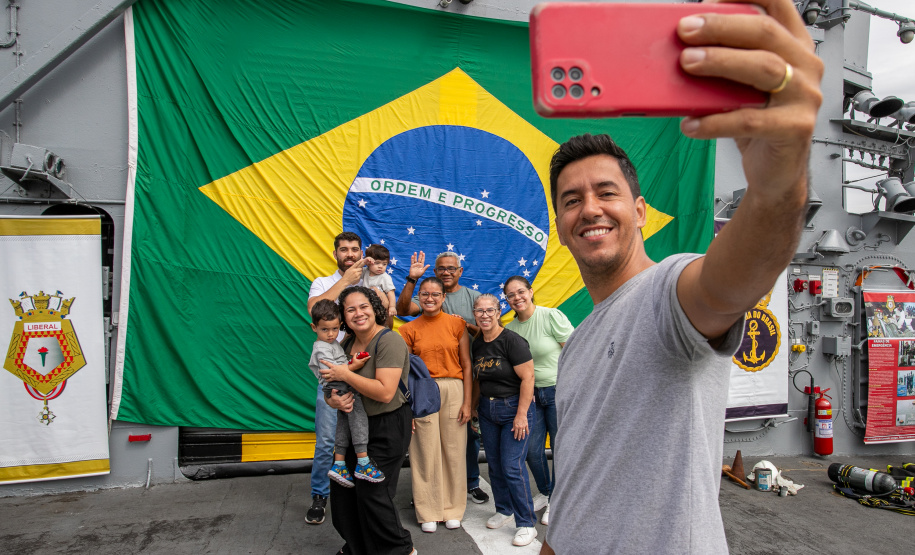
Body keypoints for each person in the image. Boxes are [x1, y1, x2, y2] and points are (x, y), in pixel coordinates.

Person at [541, 2, 823, 553]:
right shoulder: (575, 343)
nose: (589, 209)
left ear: (641, 211)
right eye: (571, 200)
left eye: (607, 193)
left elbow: (731, 282)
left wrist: (777, 184)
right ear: (560, 225)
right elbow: (580, 473)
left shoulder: (667, 295)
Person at [320, 286, 415, 555]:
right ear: (343, 317)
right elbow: (331, 387)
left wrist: (346, 374)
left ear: (375, 309)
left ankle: (400, 549)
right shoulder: (345, 345)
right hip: (353, 427)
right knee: (344, 492)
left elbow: (385, 392)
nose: (358, 313)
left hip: (387, 424)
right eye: (350, 309)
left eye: (363, 307)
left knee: (373, 493)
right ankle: (357, 547)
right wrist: (333, 400)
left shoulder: (389, 340)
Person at [396, 251, 489, 504]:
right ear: (434, 273)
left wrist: (465, 325)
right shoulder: (425, 295)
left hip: (469, 375)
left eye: (451, 268)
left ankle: (469, 483)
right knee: (428, 440)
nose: (446, 272)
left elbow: (490, 330)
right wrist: (412, 279)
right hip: (428, 381)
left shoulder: (473, 297)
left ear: (460, 271)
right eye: (441, 268)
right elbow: (402, 309)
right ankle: (430, 492)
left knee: (466, 434)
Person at [399, 277, 473, 532]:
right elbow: (405, 372)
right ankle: (428, 509)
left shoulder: (457, 324)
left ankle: (453, 508)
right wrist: (406, 408)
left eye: (435, 294)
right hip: (422, 389)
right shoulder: (408, 330)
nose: (430, 299)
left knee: (453, 450)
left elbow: (466, 365)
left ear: (443, 298)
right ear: (419, 297)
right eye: (425, 294)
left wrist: (468, 403)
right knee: (424, 450)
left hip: (453, 388)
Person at [305, 231, 367, 525]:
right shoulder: (323, 283)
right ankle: (320, 495)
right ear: (336, 254)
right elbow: (313, 310)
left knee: (361, 437)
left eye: (355, 249)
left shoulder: (371, 281)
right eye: (344, 250)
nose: (350, 254)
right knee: (328, 440)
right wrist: (345, 282)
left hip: (363, 369)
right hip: (331, 374)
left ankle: (361, 494)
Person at [502, 276, 574, 526]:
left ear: (531, 292)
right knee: (532, 450)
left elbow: (574, 351)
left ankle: (559, 499)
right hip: (530, 396)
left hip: (558, 391)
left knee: (560, 447)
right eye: (511, 295)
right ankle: (546, 491)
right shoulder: (509, 330)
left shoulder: (550, 315)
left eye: (520, 292)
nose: (516, 298)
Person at [471, 293, 538, 547]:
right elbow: (480, 378)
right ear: (474, 313)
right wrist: (475, 406)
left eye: (490, 310)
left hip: (514, 409)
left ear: (499, 312)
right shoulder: (478, 343)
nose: (485, 315)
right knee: (496, 465)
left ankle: (526, 522)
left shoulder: (512, 341)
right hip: (488, 411)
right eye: (479, 311)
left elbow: (528, 378)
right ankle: (504, 509)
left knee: (512, 466)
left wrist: (521, 415)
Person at [308, 299, 385, 489]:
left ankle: (340, 464)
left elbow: (340, 361)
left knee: (343, 423)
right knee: (357, 415)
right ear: (314, 327)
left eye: (335, 329)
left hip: (339, 384)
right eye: (325, 330)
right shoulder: (321, 348)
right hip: (337, 385)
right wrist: (354, 365)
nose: (330, 334)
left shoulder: (334, 343)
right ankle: (363, 461)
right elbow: (332, 370)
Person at [362, 244, 397, 328]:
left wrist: (392, 307)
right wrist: (363, 261)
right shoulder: (365, 271)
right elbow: (355, 269)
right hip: (367, 306)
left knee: (382, 327)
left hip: (380, 309)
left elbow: (390, 293)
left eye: (384, 264)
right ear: (369, 263)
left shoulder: (385, 277)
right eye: (377, 263)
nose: (380, 266)